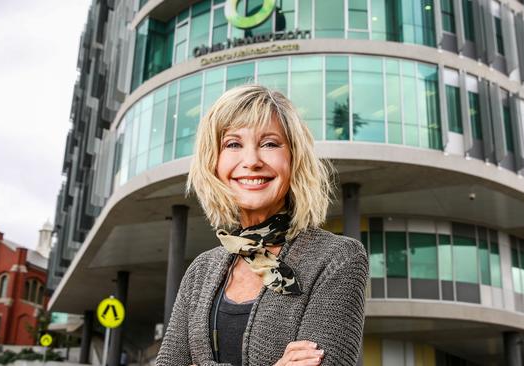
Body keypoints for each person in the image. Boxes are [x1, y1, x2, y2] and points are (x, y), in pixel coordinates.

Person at [155, 84, 368, 366]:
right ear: (214, 162)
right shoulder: (200, 271)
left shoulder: (338, 258)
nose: (252, 161)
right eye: (233, 144)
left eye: (269, 143)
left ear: (293, 157)